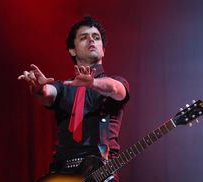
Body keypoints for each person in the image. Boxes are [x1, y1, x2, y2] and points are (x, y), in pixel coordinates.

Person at [18, 16, 129, 182]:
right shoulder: (64, 87)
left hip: (100, 173)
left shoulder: (115, 82)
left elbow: (116, 89)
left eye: (96, 37)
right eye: (84, 37)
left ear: (103, 50)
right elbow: (48, 93)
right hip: (62, 172)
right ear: (72, 50)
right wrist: (40, 89)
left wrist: (92, 83)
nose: (91, 40)